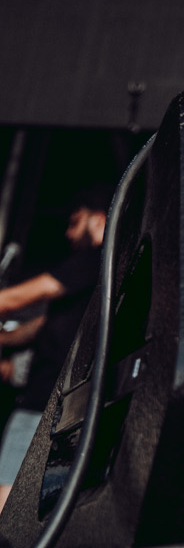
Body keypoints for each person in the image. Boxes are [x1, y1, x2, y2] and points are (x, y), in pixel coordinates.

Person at [0, 188, 110, 513]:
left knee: (9, 500)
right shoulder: (92, 279)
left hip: (47, 405)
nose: (69, 233)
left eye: (75, 222)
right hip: (48, 404)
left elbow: (14, 299)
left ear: (98, 219)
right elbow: (39, 327)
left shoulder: (96, 258)